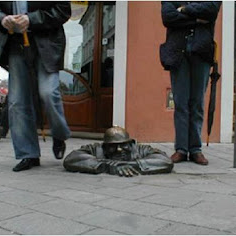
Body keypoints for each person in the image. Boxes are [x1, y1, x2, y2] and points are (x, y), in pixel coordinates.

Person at [0, 2, 72, 172]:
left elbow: (63, 10)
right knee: (17, 102)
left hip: (46, 43)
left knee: (48, 92)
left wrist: (31, 19)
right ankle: (28, 153)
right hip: (14, 44)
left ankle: (59, 134)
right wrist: (2, 19)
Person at [160, 2, 221, 165]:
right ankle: (181, 149)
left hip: (202, 52)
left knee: (197, 103)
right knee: (181, 103)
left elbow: (211, 11)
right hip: (177, 53)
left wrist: (185, 10)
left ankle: (195, 149)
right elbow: (168, 17)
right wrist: (197, 20)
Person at [63, 126, 174, 177]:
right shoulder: (96, 148)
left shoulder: (141, 149)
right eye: (113, 146)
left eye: (123, 145)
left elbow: (166, 161)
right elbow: (71, 158)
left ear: (131, 144)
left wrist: (132, 165)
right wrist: (105, 165)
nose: (119, 150)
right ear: (104, 146)